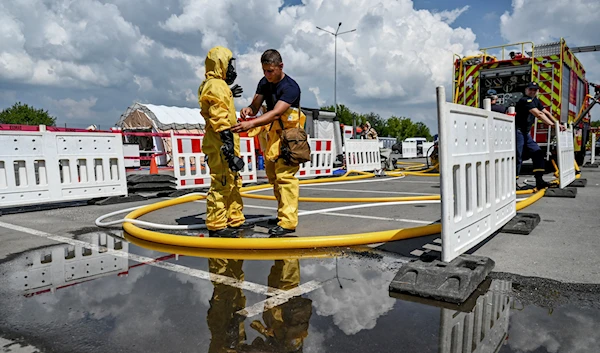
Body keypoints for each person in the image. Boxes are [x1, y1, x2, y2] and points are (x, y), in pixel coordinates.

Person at [232, 49, 306, 237]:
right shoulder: (265, 83)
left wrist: (251, 123)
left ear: (280, 66)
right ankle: (283, 214)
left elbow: (276, 113)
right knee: (274, 178)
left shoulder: (290, 87)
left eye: (270, 71)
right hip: (273, 137)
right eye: (264, 71)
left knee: (285, 178)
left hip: (289, 138)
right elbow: (256, 105)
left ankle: (288, 222)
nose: (267, 75)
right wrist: (249, 110)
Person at [198, 46, 247, 237]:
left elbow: (217, 104)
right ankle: (217, 225)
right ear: (221, 64)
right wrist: (227, 147)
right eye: (229, 64)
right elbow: (218, 117)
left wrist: (229, 93)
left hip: (223, 141)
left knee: (233, 180)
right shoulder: (216, 85)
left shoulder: (217, 85)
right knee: (222, 181)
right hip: (221, 142)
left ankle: (233, 218)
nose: (233, 69)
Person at [514, 81, 564, 189]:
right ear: (526, 90)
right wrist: (553, 125)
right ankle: (514, 182)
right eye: (530, 89)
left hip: (525, 133)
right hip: (518, 132)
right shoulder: (525, 100)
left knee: (538, 153)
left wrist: (557, 123)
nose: (532, 91)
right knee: (518, 156)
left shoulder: (535, 100)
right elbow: (539, 114)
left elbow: (546, 112)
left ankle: (539, 180)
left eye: (535, 90)